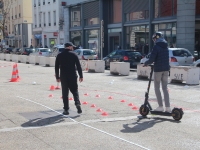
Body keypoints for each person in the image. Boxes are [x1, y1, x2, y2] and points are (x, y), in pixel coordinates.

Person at [144, 32, 171, 112]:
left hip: (158, 69)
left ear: (156, 38)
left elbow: (152, 59)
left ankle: (160, 106)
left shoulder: (156, 46)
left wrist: (146, 63)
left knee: (157, 87)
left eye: (154, 39)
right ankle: (168, 107)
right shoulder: (166, 46)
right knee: (165, 88)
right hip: (166, 69)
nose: (154, 40)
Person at [55, 42, 83, 115]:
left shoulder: (59, 55)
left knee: (65, 93)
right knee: (75, 91)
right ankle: (77, 103)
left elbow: (56, 67)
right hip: (73, 76)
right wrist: (81, 76)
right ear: (70, 47)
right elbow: (78, 66)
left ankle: (66, 110)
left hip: (63, 76)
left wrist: (57, 77)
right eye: (72, 47)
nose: (73, 48)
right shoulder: (74, 55)